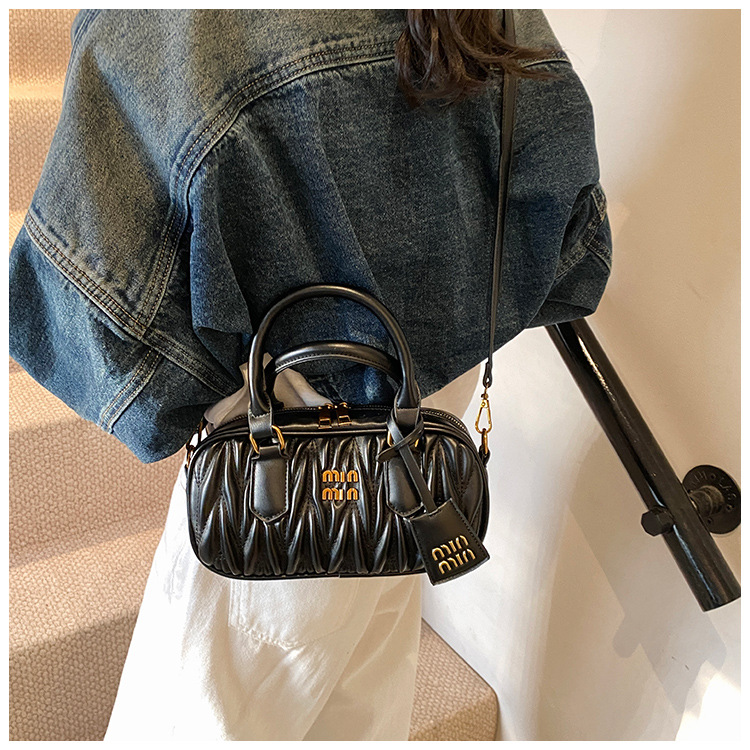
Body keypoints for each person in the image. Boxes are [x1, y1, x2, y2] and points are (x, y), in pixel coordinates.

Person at [8, 10, 612, 740]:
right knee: (363, 670)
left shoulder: (199, 27)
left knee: (214, 705)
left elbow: (100, 290)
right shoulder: (495, 18)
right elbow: (570, 238)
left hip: (280, 423)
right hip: (420, 420)